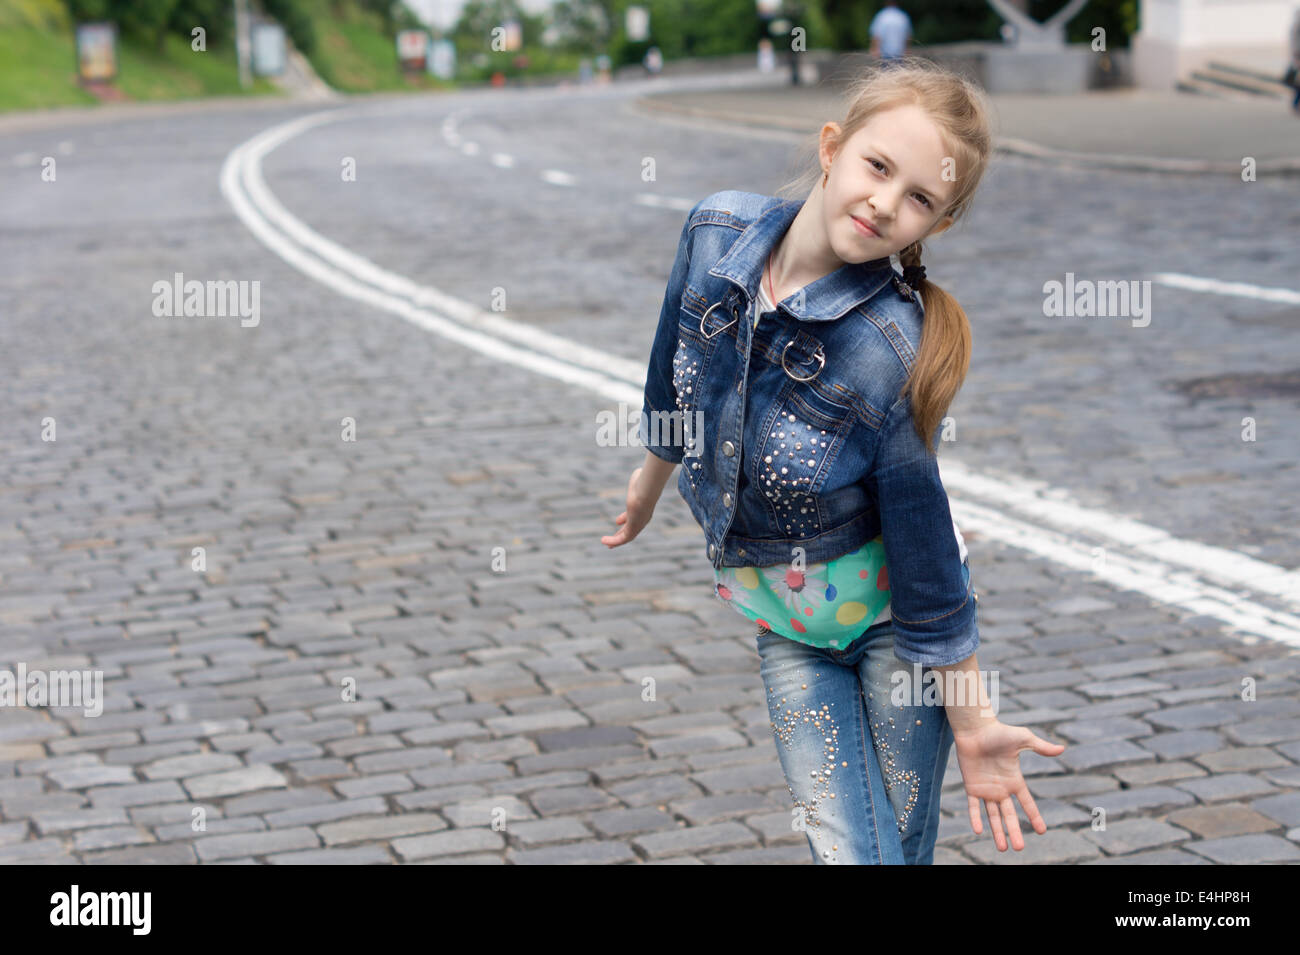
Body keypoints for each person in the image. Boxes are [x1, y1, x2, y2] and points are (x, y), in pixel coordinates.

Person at [604, 57, 1066, 864]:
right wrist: (649, 484)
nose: (886, 202)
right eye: (877, 166)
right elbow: (671, 368)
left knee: (888, 855)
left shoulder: (889, 350)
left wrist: (973, 720)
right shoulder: (716, 233)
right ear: (831, 148)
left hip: (899, 642)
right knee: (851, 848)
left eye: (920, 197)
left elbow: (927, 559)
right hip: (790, 630)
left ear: (938, 225)